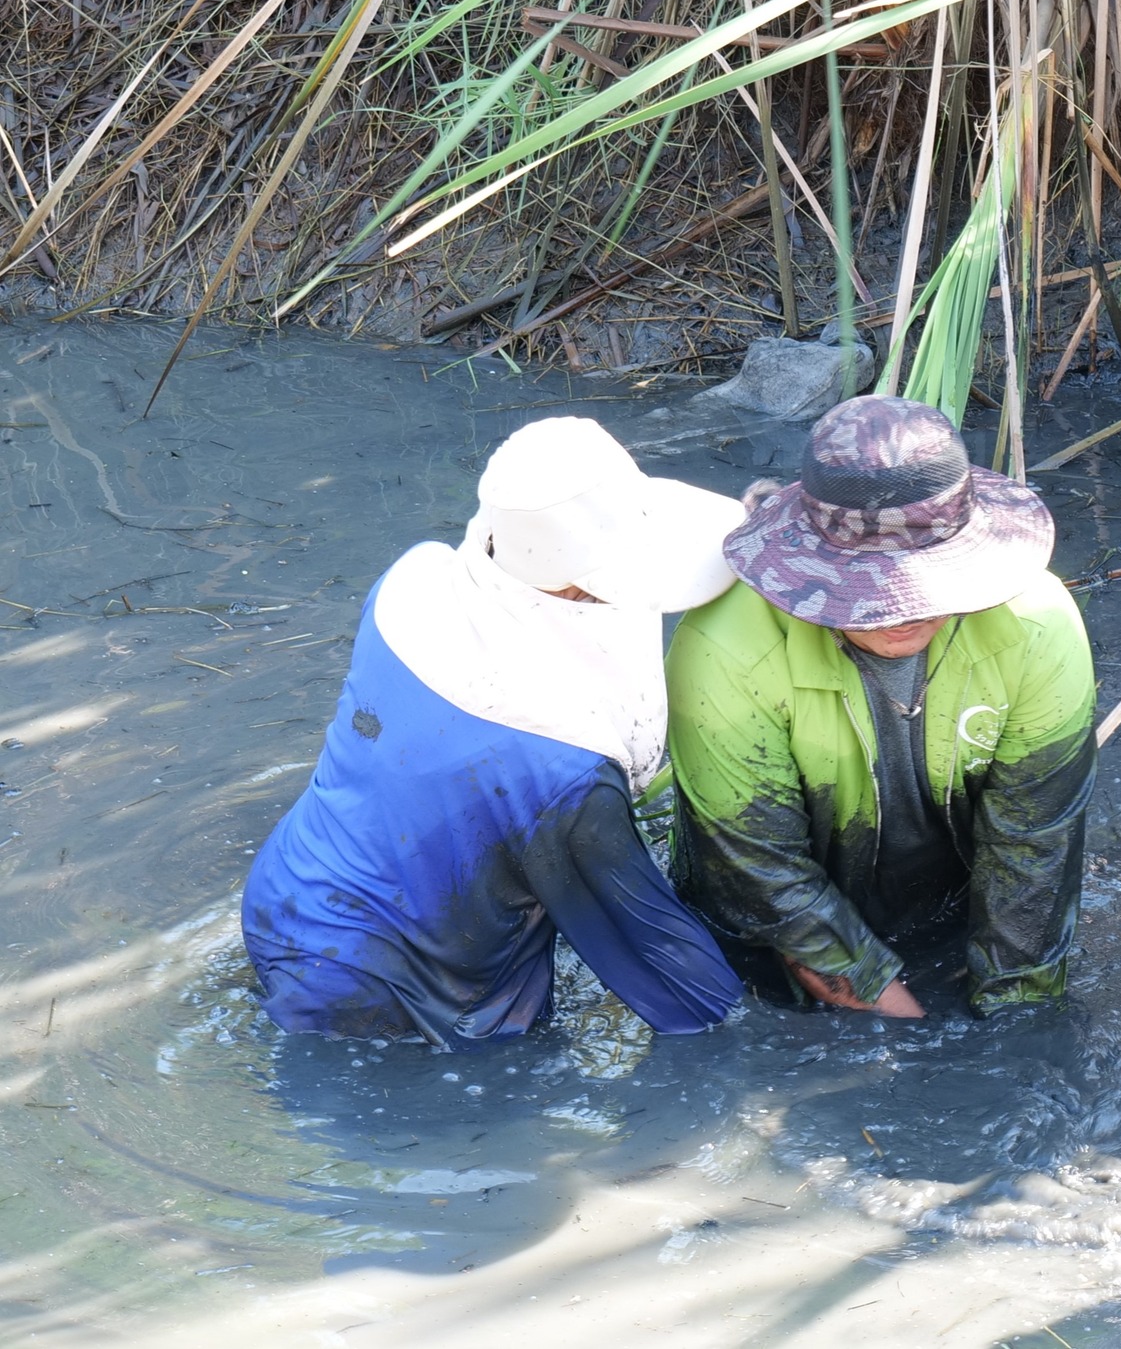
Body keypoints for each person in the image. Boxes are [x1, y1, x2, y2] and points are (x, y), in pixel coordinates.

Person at [241, 417, 746, 1047]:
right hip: (372, 988)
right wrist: (757, 1043)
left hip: (287, 895)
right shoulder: (563, 771)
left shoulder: (411, 581)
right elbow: (654, 958)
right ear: (580, 590)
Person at [664, 395, 1095, 1019]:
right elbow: (764, 875)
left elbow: (1035, 850)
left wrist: (1015, 1023)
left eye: (925, 583)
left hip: (951, 903)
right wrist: (908, 1028)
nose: (902, 615)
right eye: (870, 590)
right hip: (764, 931)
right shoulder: (723, 649)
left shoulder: (1039, 626)